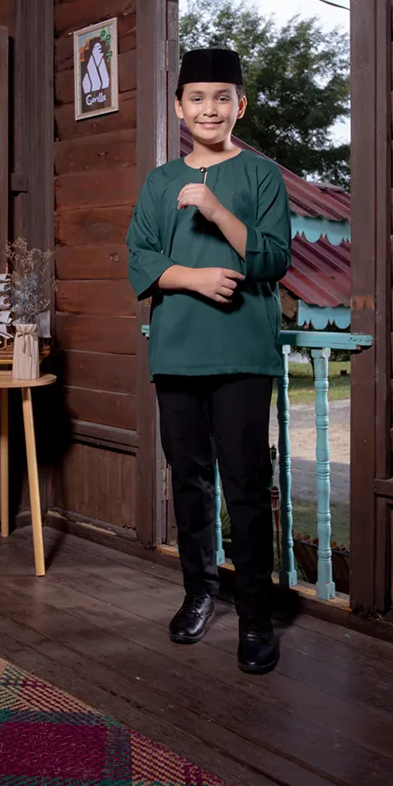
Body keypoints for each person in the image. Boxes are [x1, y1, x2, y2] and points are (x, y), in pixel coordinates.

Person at [127, 47, 291, 675]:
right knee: (189, 481)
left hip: (243, 354)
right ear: (179, 108)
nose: (209, 108)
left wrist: (218, 211)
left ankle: (254, 616)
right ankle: (198, 594)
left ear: (240, 106)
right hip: (176, 354)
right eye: (197, 98)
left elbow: (273, 259)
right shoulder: (159, 182)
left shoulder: (261, 176)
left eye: (222, 98)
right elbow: (140, 257)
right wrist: (194, 278)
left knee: (247, 484)